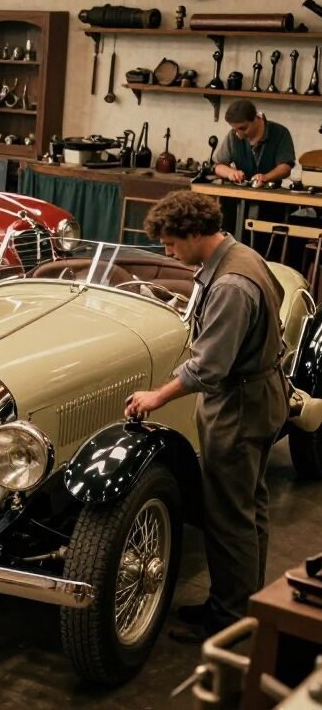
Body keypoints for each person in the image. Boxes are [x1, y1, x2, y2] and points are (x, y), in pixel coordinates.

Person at [124, 190, 288, 641]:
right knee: (250, 511)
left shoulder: (231, 285)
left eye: (172, 243)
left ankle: (228, 621)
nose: (168, 253)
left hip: (238, 408)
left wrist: (158, 395)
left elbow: (209, 367)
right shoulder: (244, 257)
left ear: (195, 233)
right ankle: (242, 604)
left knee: (228, 518)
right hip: (260, 396)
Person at [212, 99, 295, 186]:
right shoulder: (233, 136)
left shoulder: (280, 133)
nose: (238, 134)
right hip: (241, 191)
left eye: (243, 128)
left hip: (271, 191)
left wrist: (265, 177)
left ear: (255, 118)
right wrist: (230, 172)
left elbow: (285, 168)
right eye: (235, 129)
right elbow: (218, 166)